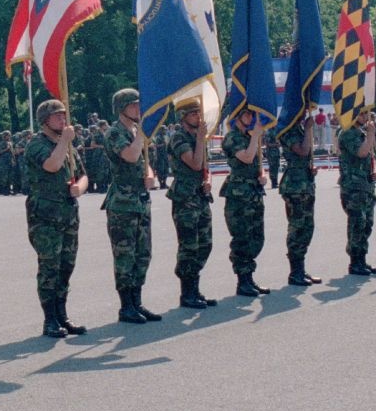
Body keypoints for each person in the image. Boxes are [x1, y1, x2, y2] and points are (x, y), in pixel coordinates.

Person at [23, 99, 89, 338]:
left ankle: (63, 315)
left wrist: (79, 189)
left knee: (66, 267)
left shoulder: (67, 144)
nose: (63, 120)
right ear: (45, 121)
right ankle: (49, 319)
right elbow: (52, 165)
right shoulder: (36, 145)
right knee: (49, 267)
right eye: (57, 116)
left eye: (64, 116)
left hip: (68, 214)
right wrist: (64, 141)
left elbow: (83, 176)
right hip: (45, 217)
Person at [104, 88, 161, 324]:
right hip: (122, 203)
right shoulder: (115, 133)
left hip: (140, 200)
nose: (139, 109)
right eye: (134, 105)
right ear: (122, 108)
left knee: (143, 254)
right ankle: (126, 305)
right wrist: (142, 134)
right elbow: (130, 155)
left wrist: (150, 175)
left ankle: (137, 302)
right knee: (125, 255)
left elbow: (146, 162)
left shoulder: (137, 131)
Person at [166, 97, 217, 309]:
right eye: (194, 114)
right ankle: (187, 293)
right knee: (189, 246)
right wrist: (201, 140)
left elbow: (205, 168)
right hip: (185, 198)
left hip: (200, 196)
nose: (199, 117)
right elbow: (195, 164)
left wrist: (208, 181)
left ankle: (195, 289)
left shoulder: (197, 137)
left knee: (205, 244)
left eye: (199, 113)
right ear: (184, 117)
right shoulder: (179, 138)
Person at [221, 106, 270, 296]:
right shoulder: (232, 138)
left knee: (257, 237)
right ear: (237, 117)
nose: (251, 117)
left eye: (252, 113)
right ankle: (242, 281)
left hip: (253, 191)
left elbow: (257, 163)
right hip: (239, 193)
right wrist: (256, 135)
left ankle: (250, 278)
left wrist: (263, 175)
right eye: (247, 114)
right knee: (242, 237)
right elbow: (247, 158)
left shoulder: (249, 137)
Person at [337, 104, 376, 276]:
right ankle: (355, 262)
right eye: (362, 114)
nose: (366, 117)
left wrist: (374, 169)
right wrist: (371, 134)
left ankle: (362, 259)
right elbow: (362, 152)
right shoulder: (348, 132)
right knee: (357, 224)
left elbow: (371, 155)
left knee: (367, 224)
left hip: (365, 185)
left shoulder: (361, 133)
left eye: (366, 113)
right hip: (353, 187)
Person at [278, 110, 322, 286]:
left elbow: (306, 154)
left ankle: (301, 269)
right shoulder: (288, 131)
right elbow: (303, 151)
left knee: (307, 227)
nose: (303, 113)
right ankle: (295, 272)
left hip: (305, 184)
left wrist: (309, 169)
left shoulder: (300, 130)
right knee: (297, 228)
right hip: (294, 186)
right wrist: (309, 129)